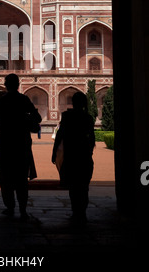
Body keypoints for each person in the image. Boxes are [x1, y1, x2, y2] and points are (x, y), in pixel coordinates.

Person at [0, 73, 42, 219]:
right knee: (21, 179)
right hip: (22, 144)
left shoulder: (2, 101)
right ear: (18, 84)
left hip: (6, 144)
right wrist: (26, 119)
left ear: (5, 85)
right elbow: (38, 118)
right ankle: (22, 209)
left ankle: (10, 207)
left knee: (6, 178)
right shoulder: (24, 99)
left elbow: (0, 124)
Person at [52, 91, 95, 225]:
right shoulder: (88, 117)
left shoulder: (67, 116)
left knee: (73, 187)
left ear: (74, 103)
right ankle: (81, 213)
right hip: (83, 155)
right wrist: (89, 151)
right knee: (83, 186)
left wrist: (54, 151)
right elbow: (92, 137)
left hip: (71, 155)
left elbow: (60, 134)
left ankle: (76, 212)